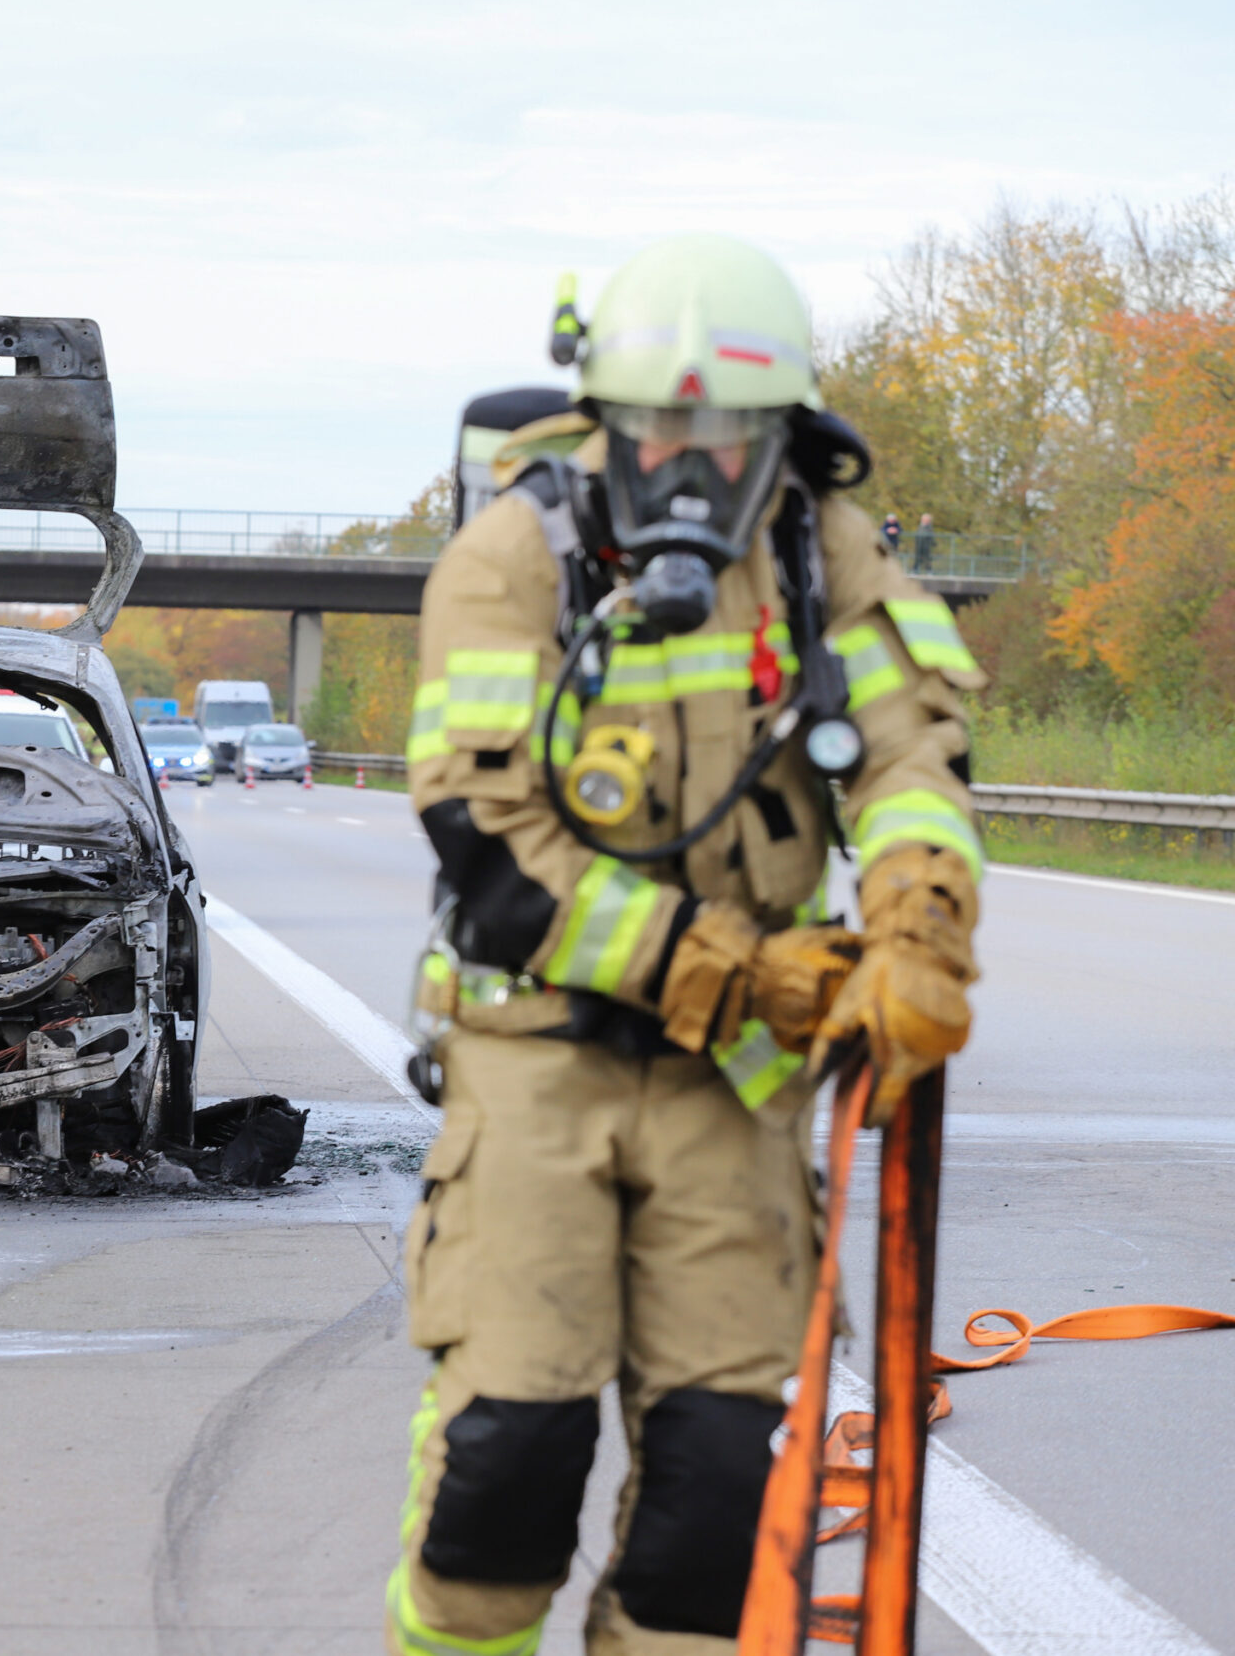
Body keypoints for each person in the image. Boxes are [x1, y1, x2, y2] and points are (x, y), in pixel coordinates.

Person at [391, 233, 982, 1654]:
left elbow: (913, 747)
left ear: (781, 432)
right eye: (666, 426)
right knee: (508, 1465)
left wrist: (918, 928)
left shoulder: (815, 542)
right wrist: (733, 968)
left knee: (722, 1481)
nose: (697, 463)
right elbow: (490, 848)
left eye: (732, 433)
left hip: (740, 1086)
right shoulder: (507, 558)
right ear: (608, 420)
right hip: (538, 1057)